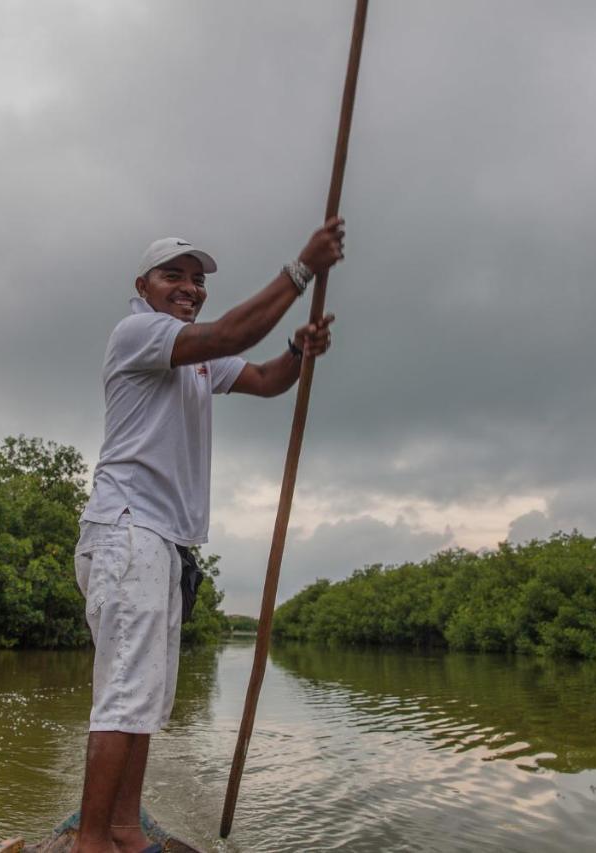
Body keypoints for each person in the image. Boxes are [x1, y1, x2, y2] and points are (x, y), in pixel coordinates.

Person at [72, 217, 345, 853]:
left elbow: (266, 379)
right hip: (127, 529)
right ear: (143, 285)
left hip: (164, 543)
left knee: (145, 698)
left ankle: (122, 826)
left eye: (197, 281)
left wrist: (297, 353)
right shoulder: (140, 332)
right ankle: (90, 841)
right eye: (175, 276)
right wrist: (301, 269)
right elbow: (230, 332)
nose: (189, 288)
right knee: (124, 695)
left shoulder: (199, 360)